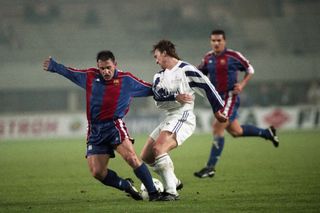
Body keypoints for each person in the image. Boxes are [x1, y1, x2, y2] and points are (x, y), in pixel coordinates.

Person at [42, 50, 165, 201]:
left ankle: (154, 193)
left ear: (115, 65)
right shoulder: (90, 76)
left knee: (131, 158)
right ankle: (125, 185)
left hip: (114, 125)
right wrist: (54, 66)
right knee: (97, 172)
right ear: (98, 67)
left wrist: (172, 93)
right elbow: (71, 73)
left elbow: (151, 89)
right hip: (95, 130)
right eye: (102, 68)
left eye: (108, 67)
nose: (105, 71)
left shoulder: (126, 80)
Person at [140, 40, 228, 201]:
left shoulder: (185, 69)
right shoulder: (159, 76)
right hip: (169, 118)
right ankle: (174, 180)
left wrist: (218, 109)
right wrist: (175, 96)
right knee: (146, 156)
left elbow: (207, 86)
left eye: (156, 56)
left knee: (159, 148)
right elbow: (157, 97)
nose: (156, 60)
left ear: (165, 53)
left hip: (183, 116)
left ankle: (171, 192)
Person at [194, 29, 280, 179]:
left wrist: (242, 84)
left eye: (219, 40)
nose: (216, 43)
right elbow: (198, 73)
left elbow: (250, 69)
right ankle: (267, 133)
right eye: (213, 40)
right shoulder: (208, 58)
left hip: (230, 96)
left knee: (217, 126)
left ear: (224, 41)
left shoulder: (233, 56)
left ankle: (210, 167)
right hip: (217, 98)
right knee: (236, 131)